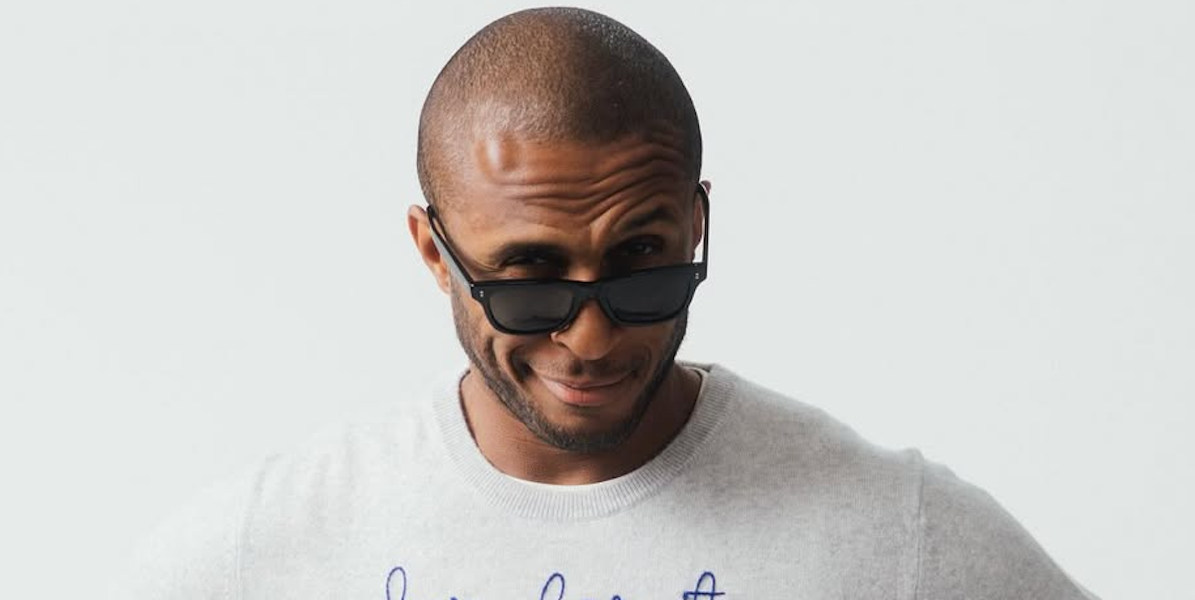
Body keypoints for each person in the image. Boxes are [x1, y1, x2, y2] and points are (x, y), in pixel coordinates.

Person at [126, 7, 1099, 599]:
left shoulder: (896, 536)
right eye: (531, 279)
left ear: (695, 224)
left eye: (641, 264)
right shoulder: (268, 546)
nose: (591, 338)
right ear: (433, 253)